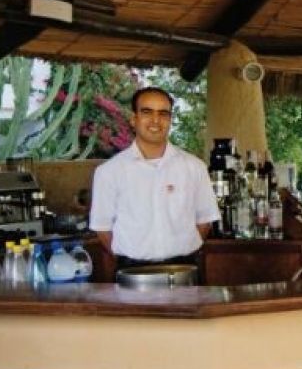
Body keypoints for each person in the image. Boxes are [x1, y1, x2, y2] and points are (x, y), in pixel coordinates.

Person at [89, 87, 220, 269]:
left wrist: (180, 252)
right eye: (147, 112)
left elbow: (205, 221)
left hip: (185, 269)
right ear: (134, 119)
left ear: (170, 120)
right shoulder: (109, 172)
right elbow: (103, 228)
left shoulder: (194, 167)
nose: (156, 120)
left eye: (163, 113)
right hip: (131, 271)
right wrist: (132, 257)